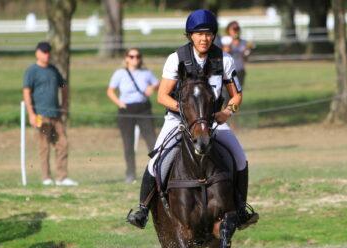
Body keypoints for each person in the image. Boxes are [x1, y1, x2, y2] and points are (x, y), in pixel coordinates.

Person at [126, 9, 259, 230]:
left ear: (214, 36)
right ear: (190, 36)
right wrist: (188, 111)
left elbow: (237, 95)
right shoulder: (176, 59)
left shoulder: (224, 59)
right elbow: (162, 96)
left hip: (213, 121)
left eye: (208, 34)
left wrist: (227, 112)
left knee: (240, 158)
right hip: (178, 120)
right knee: (156, 161)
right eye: (199, 34)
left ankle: (241, 209)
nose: (204, 38)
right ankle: (143, 209)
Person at [23, 41, 78, 186]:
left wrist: (64, 104)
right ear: (37, 53)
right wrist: (31, 114)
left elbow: (64, 86)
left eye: (48, 52)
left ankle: (62, 177)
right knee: (44, 146)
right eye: (44, 52)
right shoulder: (32, 71)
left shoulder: (54, 70)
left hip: (56, 114)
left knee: (63, 144)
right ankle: (46, 177)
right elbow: (27, 92)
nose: (46, 55)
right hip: (41, 115)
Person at [107, 48, 159, 183]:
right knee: (128, 143)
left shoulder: (146, 73)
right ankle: (130, 173)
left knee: (152, 141)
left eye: (137, 56)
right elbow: (110, 91)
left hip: (143, 109)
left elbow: (158, 85)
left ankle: (156, 171)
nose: (135, 59)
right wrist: (119, 103)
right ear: (126, 58)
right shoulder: (120, 73)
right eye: (131, 56)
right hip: (126, 110)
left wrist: (152, 88)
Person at [221, 21, 253, 109]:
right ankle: (226, 114)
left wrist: (247, 51)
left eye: (238, 29)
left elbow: (246, 59)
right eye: (234, 29)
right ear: (229, 30)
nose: (236, 31)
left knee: (237, 95)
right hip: (227, 72)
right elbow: (224, 53)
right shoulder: (225, 40)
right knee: (226, 94)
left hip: (240, 71)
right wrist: (231, 44)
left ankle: (233, 114)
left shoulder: (244, 42)